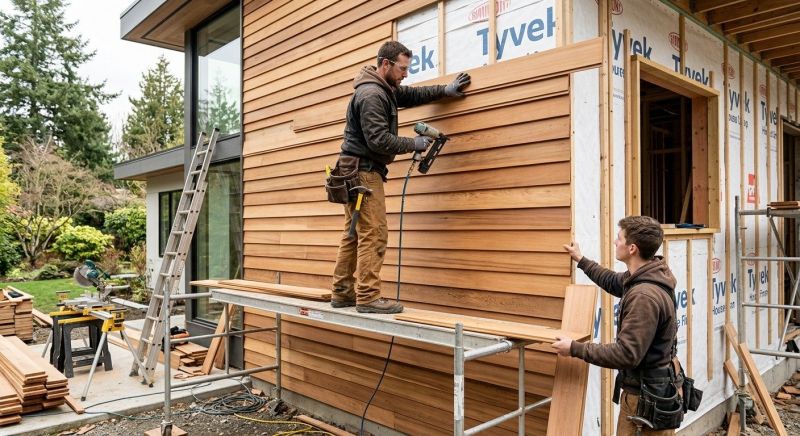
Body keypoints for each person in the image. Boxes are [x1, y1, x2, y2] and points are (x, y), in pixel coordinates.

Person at [330, 41, 471, 314]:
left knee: (353, 235)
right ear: (386, 64)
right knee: (375, 234)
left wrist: (445, 90)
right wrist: (414, 144)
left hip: (353, 170)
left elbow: (411, 95)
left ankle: (342, 292)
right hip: (364, 173)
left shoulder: (383, 89)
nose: (406, 74)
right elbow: (379, 140)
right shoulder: (372, 95)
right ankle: (368, 297)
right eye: (402, 68)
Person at [553, 216, 679, 435]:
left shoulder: (643, 297)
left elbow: (626, 354)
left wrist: (574, 348)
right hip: (651, 391)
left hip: (645, 399)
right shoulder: (648, 275)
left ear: (632, 248)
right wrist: (581, 260)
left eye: (618, 238)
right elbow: (612, 280)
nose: (614, 242)